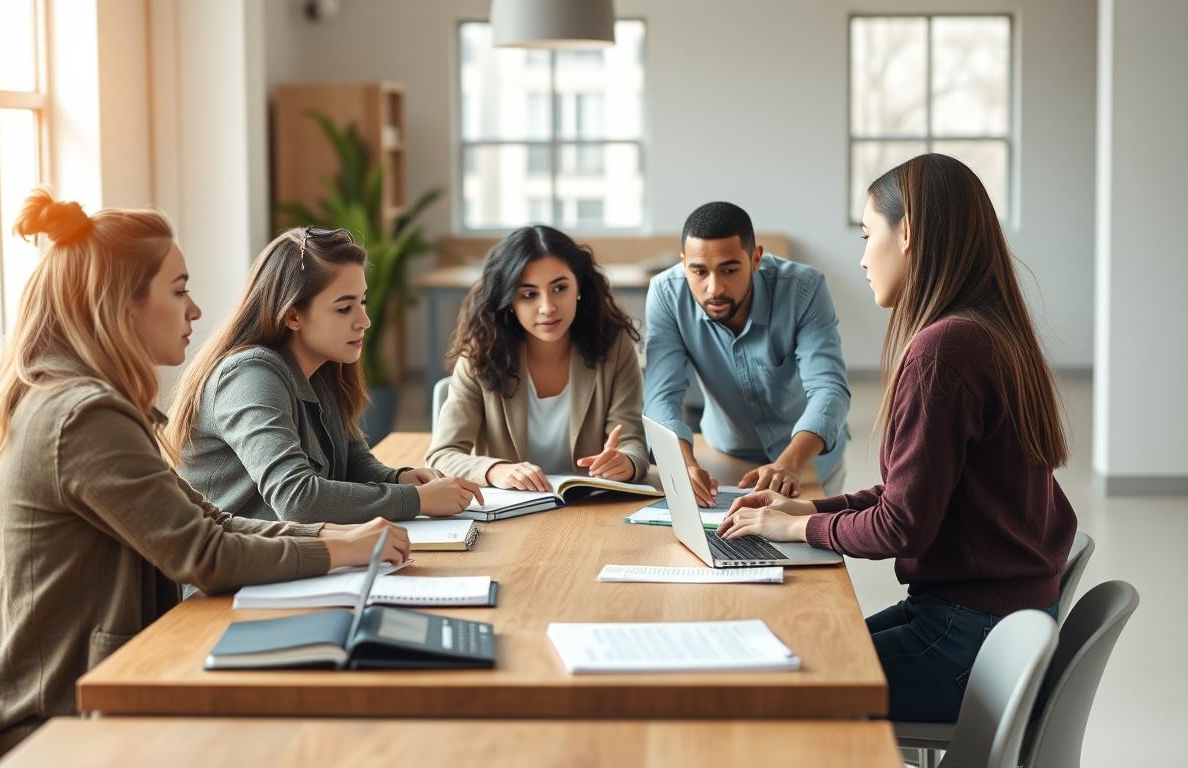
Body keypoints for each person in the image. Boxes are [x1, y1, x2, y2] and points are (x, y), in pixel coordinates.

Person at [0, 190, 409, 758]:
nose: (196, 311)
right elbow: (205, 554)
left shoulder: (88, 403)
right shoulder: (83, 417)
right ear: (120, 305)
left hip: (121, 687)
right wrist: (339, 550)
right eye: (178, 290)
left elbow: (210, 520)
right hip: (68, 727)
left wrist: (332, 537)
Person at [717, 154, 1076, 722]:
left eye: (867, 235)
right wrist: (808, 506)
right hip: (989, 621)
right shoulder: (990, 329)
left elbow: (901, 525)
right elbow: (908, 496)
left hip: (970, 642)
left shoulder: (944, 349)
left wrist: (796, 527)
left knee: (773, 696)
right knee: (798, 657)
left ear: (906, 232)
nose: (861, 258)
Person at [168, 227, 482, 522]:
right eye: (344, 309)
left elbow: (352, 462)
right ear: (293, 316)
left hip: (290, 558)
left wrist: (399, 478)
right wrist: (417, 500)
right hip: (234, 575)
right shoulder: (249, 376)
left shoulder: (322, 367)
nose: (364, 321)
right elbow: (296, 498)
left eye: (362, 302)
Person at [644, 202, 851, 503]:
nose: (714, 288)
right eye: (698, 271)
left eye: (729, 270)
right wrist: (684, 464)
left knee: (809, 549)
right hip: (727, 459)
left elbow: (829, 389)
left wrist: (789, 464)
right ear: (683, 262)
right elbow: (661, 395)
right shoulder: (665, 294)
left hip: (806, 461)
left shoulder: (803, 289)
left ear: (755, 259)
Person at [425, 225, 647, 489]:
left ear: (579, 286)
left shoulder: (614, 345)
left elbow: (631, 441)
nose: (547, 308)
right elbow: (441, 456)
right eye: (529, 294)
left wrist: (626, 461)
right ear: (509, 301)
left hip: (591, 507)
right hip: (512, 512)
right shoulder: (481, 353)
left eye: (559, 288)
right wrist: (495, 471)